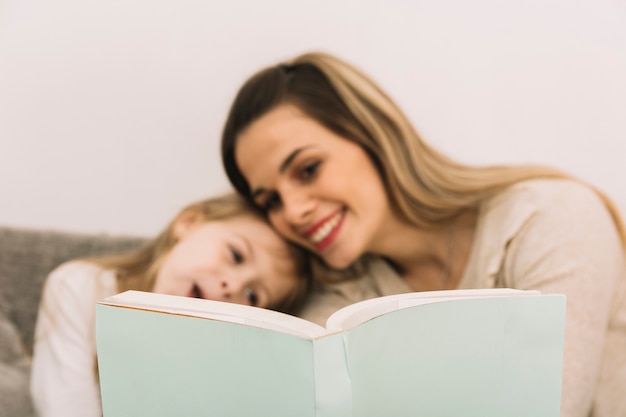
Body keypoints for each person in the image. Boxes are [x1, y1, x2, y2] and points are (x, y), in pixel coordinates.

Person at [220, 51, 626, 417]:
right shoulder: (341, 301)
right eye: (270, 200)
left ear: (373, 135)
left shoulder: (548, 218)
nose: (293, 211)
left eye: (308, 169)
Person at [30, 193, 310, 417]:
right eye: (236, 254)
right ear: (188, 223)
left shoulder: (219, 360)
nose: (233, 287)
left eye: (252, 296)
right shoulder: (80, 286)